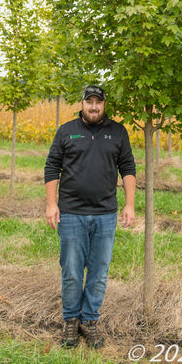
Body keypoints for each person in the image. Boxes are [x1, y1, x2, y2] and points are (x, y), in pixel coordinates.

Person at [44, 84, 136, 348]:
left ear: (104, 104)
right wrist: (52, 205)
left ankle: (90, 321)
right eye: (89, 102)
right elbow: (52, 167)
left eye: (98, 102)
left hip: (105, 214)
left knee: (99, 272)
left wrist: (129, 205)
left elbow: (127, 166)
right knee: (71, 271)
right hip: (71, 213)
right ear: (82, 103)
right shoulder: (66, 131)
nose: (94, 107)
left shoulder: (118, 132)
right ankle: (71, 321)